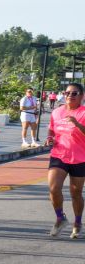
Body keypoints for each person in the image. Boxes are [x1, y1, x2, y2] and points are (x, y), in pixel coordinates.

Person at [44, 82, 85, 239]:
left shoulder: (83, 113)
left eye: (74, 93)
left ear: (82, 96)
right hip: (59, 154)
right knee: (54, 188)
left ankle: (78, 222)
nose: (69, 96)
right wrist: (49, 137)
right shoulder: (57, 111)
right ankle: (60, 218)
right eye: (67, 93)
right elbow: (52, 128)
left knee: (76, 193)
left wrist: (77, 124)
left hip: (80, 158)